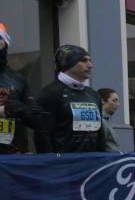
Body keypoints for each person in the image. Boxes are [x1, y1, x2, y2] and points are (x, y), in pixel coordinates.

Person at [34, 45, 106, 153]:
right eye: (84, 60)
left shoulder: (93, 94)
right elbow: (42, 133)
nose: (90, 65)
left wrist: (101, 158)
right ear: (67, 63)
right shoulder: (51, 93)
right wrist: (50, 163)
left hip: (92, 162)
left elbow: (100, 133)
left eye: (90, 61)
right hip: (64, 164)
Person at [0, 24, 43, 154]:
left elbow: (37, 120)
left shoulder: (18, 80)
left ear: (5, 44)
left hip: (13, 156)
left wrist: (18, 108)